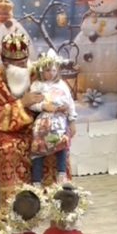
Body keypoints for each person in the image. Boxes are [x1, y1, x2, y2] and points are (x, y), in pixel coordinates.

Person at [0, 31, 71, 210]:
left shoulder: (36, 73)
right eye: (18, 64)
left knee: (57, 140)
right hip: (6, 132)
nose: (24, 67)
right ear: (6, 63)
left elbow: (53, 93)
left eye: (25, 62)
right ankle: (17, 207)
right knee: (10, 149)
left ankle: (55, 201)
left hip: (38, 125)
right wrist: (22, 104)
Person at [29, 49, 77, 186]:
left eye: (54, 70)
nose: (51, 73)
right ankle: (36, 181)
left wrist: (72, 120)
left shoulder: (62, 84)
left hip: (59, 120)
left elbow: (70, 103)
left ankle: (61, 174)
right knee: (38, 147)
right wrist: (43, 106)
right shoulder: (37, 85)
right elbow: (32, 104)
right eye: (48, 70)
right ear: (41, 70)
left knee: (61, 142)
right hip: (43, 121)